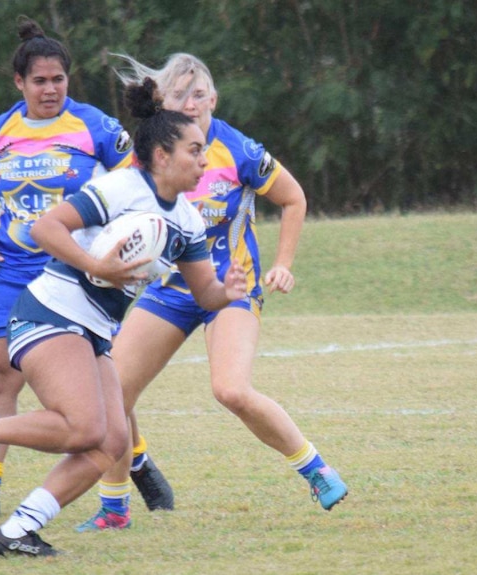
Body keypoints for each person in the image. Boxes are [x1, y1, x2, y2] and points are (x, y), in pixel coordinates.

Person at [0, 76, 248, 556]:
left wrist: (227, 291)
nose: (204, 160)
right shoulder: (118, 188)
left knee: (109, 443)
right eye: (195, 150)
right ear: (161, 156)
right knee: (84, 428)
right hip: (50, 311)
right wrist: (97, 265)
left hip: (94, 331)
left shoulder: (189, 220)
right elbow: (46, 227)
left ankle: (17, 531)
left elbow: (205, 293)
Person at [75, 53, 348, 532]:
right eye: (180, 94)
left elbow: (293, 198)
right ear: (162, 102)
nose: (191, 102)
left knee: (231, 389)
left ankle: (315, 469)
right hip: (169, 290)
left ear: (214, 99)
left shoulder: (237, 149)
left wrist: (283, 265)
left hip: (231, 287)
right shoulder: (149, 155)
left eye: (199, 93)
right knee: (112, 392)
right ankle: (114, 509)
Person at [0, 15, 175, 519]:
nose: (49, 89)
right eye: (39, 81)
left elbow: (138, 186)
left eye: (58, 79)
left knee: (92, 386)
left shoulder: (96, 127)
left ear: (69, 78)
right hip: (9, 269)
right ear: (19, 82)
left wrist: (129, 248)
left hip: (76, 275)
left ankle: (137, 459)